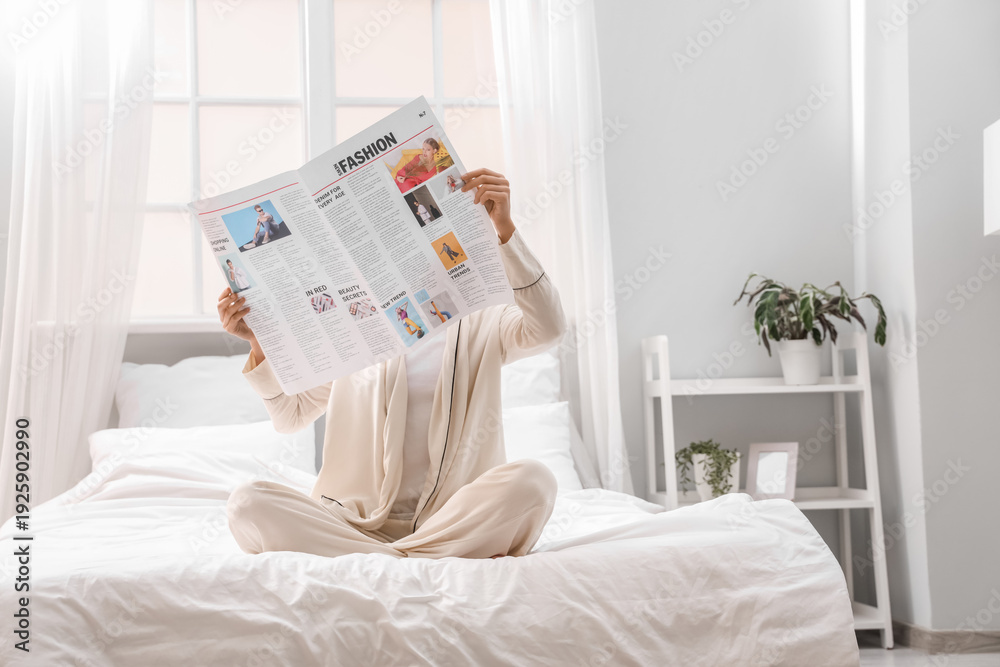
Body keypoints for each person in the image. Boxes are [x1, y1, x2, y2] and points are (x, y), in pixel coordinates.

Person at [219, 168, 567, 560]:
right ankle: (420, 557)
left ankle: (382, 558)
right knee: (246, 504)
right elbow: (290, 415)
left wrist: (505, 230)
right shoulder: (350, 328)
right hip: (352, 522)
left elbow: (549, 328)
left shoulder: (484, 318)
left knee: (534, 482)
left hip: (451, 518)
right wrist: (260, 344)